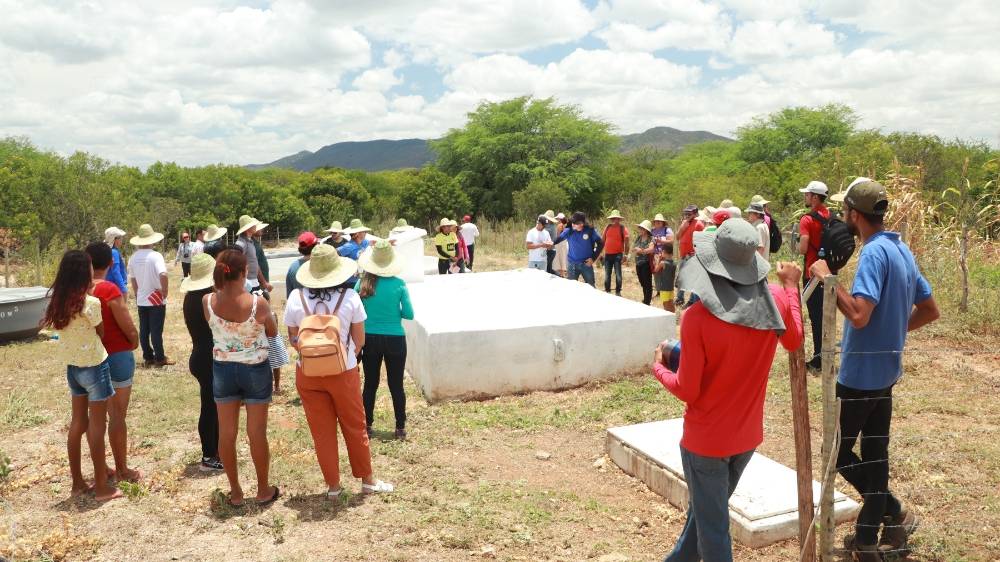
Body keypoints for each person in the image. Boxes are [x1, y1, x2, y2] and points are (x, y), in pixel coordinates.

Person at [653, 219, 803, 562]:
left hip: (706, 443)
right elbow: (794, 341)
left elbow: (688, 390)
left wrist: (658, 368)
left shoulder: (697, 318)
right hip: (746, 437)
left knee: (714, 530)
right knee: (707, 516)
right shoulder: (775, 300)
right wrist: (792, 286)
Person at [809, 179, 939, 560]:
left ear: (853, 213)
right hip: (887, 370)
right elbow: (930, 310)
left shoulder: (872, 254)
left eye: (844, 211)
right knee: (875, 452)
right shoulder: (902, 251)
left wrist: (827, 279)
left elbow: (860, 316)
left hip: (860, 375)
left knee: (834, 451)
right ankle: (868, 538)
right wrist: (896, 329)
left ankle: (892, 509)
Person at [284, 244, 394, 496]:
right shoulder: (350, 298)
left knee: (322, 431)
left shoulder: (295, 298)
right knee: (355, 425)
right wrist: (344, 356)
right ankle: (367, 480)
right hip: (344, 371)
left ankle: (333, 486)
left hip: (308, 373)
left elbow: (292, 338)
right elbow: (360, 340)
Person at [42, 250, 122, 501]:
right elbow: (100, 332)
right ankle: (101, 486)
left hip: (73, 369)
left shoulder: (58, 302)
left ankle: (77, 481)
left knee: (78, 424)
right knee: (98, 425)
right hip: (94, 367)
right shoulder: (91, 303)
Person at [204, 249, 280, 506]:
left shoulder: (208, 302)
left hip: (223, 368)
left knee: (226, 433)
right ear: (244, 271)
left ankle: (235, 491)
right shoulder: (258, 303)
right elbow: (271, 332)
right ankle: (262, 489)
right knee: (256, 432)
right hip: (254, 368)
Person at [85, 242, 142, 483]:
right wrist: (134, 341)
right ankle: (122, 468)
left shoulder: (81, 290)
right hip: (117, 354)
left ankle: (103, 466)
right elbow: (126, 324)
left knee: (96, 417)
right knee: (118, 415)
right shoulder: (109, 290)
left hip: (89, 357)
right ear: (111, 263)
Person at [356, 240, 414, 440]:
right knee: (396, 385)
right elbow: (409, 314)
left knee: (370, 384)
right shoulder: (399, 284)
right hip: (395, 338)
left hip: (369, 338)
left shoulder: (362, 283)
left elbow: (355, 311)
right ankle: (399, 428)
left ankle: (368, 425)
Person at [180, 253, 223, 472]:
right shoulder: (209, 300)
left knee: (212, 406)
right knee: (210, 408)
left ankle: (215, 451)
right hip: (208, 358)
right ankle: (209, 456)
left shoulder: (191, 298)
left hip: (200, 355)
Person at [128, 224, 174, 367]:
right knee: (156, 330)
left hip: (142, 298)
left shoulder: (133, 257)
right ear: (152, 240)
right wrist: (165, 290)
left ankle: (148, 357)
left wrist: (137, 293)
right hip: (156, 297)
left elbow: (133, 279)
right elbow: (163, 274)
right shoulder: (155, 256)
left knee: (144, 329)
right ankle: (159, 358)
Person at [799, 180, 831, 372]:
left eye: (807, 194)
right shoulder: (832, 216)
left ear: (815, 197)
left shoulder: (807, 219)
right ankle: (825, 356)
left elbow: (803, 247)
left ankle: (819, 359)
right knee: (827, 316)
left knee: (816, 317)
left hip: (812, 273)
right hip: (830, 272)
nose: (806, 197)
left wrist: (798, 244)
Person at [554, 212, 603, 287]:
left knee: (591, 287)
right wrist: (551, 243)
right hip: (572, 264)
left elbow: (601, 243)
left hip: (586, 264)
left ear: (581, 224)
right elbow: (558, 239)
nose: (573, 224)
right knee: (571, 288)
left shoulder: (590, 231)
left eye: (575, 223)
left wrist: (593, 259)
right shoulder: (569, 230)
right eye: (572, 222)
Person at [674, 205, 704, 314]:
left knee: (692, 281)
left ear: (695, 214)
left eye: (689, 214)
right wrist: (682, 227)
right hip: (683, 255)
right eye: (685, 213)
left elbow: (700, 241)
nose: (687, 216)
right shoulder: (684, 223)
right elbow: (677, 237)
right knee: (681, 278)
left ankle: (691, 301)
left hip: (692, 256)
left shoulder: (699, 224)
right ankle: (679, 298)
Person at [234, 215, 272, 294]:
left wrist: (264, 282)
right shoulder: (241, 244)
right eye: (253, 225)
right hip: (247, 283)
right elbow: (235, 265)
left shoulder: (249, 242)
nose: (256, 226)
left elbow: (254, 263)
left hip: (253, 281)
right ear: (248, 228)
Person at [597, 209, 630, 296]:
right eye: (614, 218)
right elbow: (602, 241)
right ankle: (607, 291)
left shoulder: (623, 228)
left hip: (618, 255)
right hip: (607, 255)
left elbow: (627, 242)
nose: (615, 220)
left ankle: (618, 292)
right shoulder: (607, 227)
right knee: (607, 275)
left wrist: (626, 255)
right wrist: (600, 252)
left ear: (619, 219)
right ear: (612, 219)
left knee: (618, 274)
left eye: (617, 218)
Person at [651, 213, 675, 312]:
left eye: (659, 221)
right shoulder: (652, 231)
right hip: (656, 254)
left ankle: (665, 291)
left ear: (663, 222)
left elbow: (671, 241)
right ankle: (659, 290)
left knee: (665, 273)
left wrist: (661, 241)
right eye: (656, 221)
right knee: (656, 273)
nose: (657, 223)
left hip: (665, 254)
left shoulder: (667, 230)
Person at [286, 231, 318, 299]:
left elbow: (289, 296)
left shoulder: (293, 267)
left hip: (299, 306)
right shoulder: (321, 264)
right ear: (315, 246)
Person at [632, 220, 655, 305]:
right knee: (642, 282)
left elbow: (651, 249)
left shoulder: (651, 238)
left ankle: (647, 301)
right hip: (638, 262)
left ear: (646, 230)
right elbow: (634, 246)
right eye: (640, 228)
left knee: (647, 283)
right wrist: (635, 250)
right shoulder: (638, 237)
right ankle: (646, 299)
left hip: (646, 263)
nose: (639, 230)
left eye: (641, 228)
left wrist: (641, 251)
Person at [104, 227, 129, 295]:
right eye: (120, 237)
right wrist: (123, 289)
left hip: (109, 285)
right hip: (116, 287)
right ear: (115, 239)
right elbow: (115, 271)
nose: (122, 239)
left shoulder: (107, 250)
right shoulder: (114, 252)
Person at [252, 223, 271, 288]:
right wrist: (264, 282)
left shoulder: (254, 243)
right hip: (260, 283)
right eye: (259, 228)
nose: (261, 229)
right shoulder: (253, 244)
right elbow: (255, 264)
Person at [552, 213, 569, 277]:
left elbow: (558, 236)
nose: (557, 220)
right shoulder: (567, 225)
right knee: (564, 257)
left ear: (560, 219)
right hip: (565, 242)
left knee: (560, 257)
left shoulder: (560, 225)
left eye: (558, 219)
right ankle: (563, 273)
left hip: (560, 243)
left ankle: (562, 274)